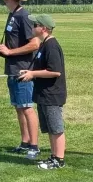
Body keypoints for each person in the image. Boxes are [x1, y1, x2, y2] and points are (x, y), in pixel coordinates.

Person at [0, 0, 41, 160]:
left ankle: (34, 146)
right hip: (13, 69)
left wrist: (10, 52)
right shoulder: (13, 14)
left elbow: (34, 43)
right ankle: (24, 142)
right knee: (19, 107)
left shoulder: (23, 15)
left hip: (23, 69)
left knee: (27, 107)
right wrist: (2, 50)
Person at [18, 14, 67, 170]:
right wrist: (29, 71)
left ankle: (59, 159)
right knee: (50, 128)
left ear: (43, 28)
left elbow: (55, 71)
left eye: (35, 25)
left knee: (56, 128)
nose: (32, 28)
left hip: (52, 94)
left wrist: (33, 74)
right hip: (44, 94)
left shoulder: (52, 46)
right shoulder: (44, 44)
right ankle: (53, 156)